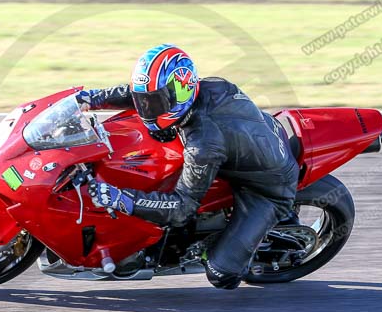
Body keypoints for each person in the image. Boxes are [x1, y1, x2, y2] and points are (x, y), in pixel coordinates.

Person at [77, 44, 299, 290]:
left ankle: (222, 249)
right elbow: (140, 94)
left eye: (153, 103)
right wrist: (92, 98)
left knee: (220, 274)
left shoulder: (203, 143)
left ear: (180, 94)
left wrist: (122, 199)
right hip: (255, 142)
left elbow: (182, 208)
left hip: (267, 189)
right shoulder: (205, 87)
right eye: (144, 100)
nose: (145, 109)